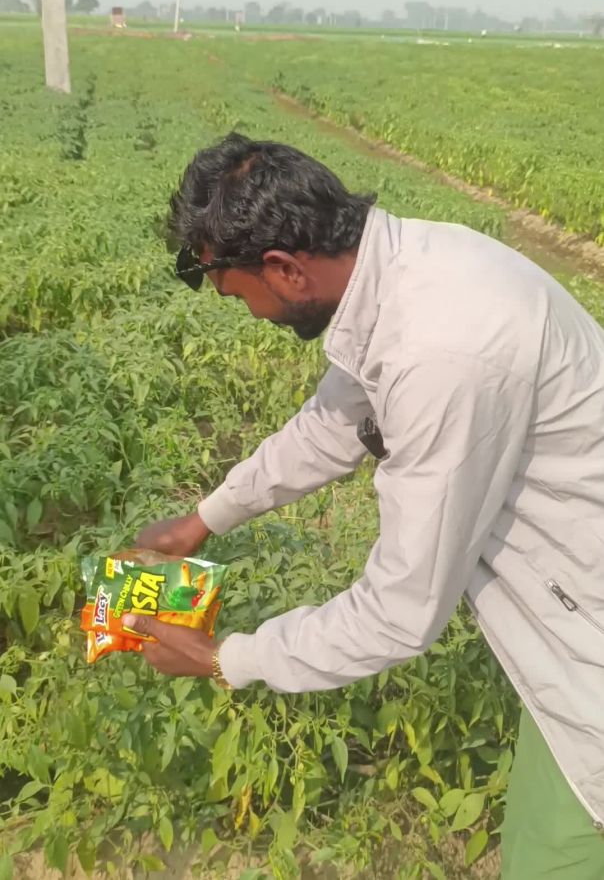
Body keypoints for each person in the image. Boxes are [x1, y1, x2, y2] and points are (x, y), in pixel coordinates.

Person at [123, 133, 604, 878]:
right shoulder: (405, 274)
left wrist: (226, 658)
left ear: (285, 270)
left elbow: (401, 611)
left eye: (239, 295)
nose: (249, 315)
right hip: (565, 630)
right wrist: (204, 518)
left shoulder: (443, 351)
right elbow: (334, 423)